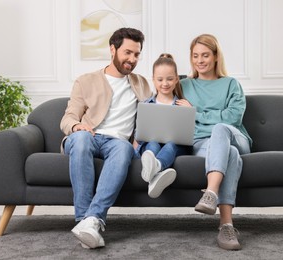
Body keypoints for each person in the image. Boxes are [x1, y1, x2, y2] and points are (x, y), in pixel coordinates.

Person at [60, 27, 152, 249]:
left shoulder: (142, 84)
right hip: (88, 135)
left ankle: (91, 221)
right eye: (127, 52)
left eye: (137, 54)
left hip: (117, 143)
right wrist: (77, 125)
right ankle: (85, 221)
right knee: (80, 140)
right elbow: (68, 118)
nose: (132, 59)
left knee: (124, 149)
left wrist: (143, 137)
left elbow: (154, 112)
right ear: (113, 49)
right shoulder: (86, 80)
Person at [178, 34, 252, 250]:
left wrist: (195, 112)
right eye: (195, 56)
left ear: (216, 56)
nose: (200, 61)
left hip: (235, 137)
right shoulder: (183, 85)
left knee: (222, 131)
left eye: (205, 55)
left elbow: (232, 118)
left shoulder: (231, 84)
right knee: (230, 154)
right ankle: (226, 226)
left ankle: (210, 193)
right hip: (202, 144)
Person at [134, 53, 190, 198]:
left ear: (177, 79)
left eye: (170, 79)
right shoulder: (146, 105)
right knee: (152, 143)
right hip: (150, 146)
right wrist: (135, 152)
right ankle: (155, 172)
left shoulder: (182, 105)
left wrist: (189, 110)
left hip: (175, 147)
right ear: (153, 80)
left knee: (170, 144)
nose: (165, 83)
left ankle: (155, 167)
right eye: (160, 79)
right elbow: (139, 135)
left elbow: (190, 133)